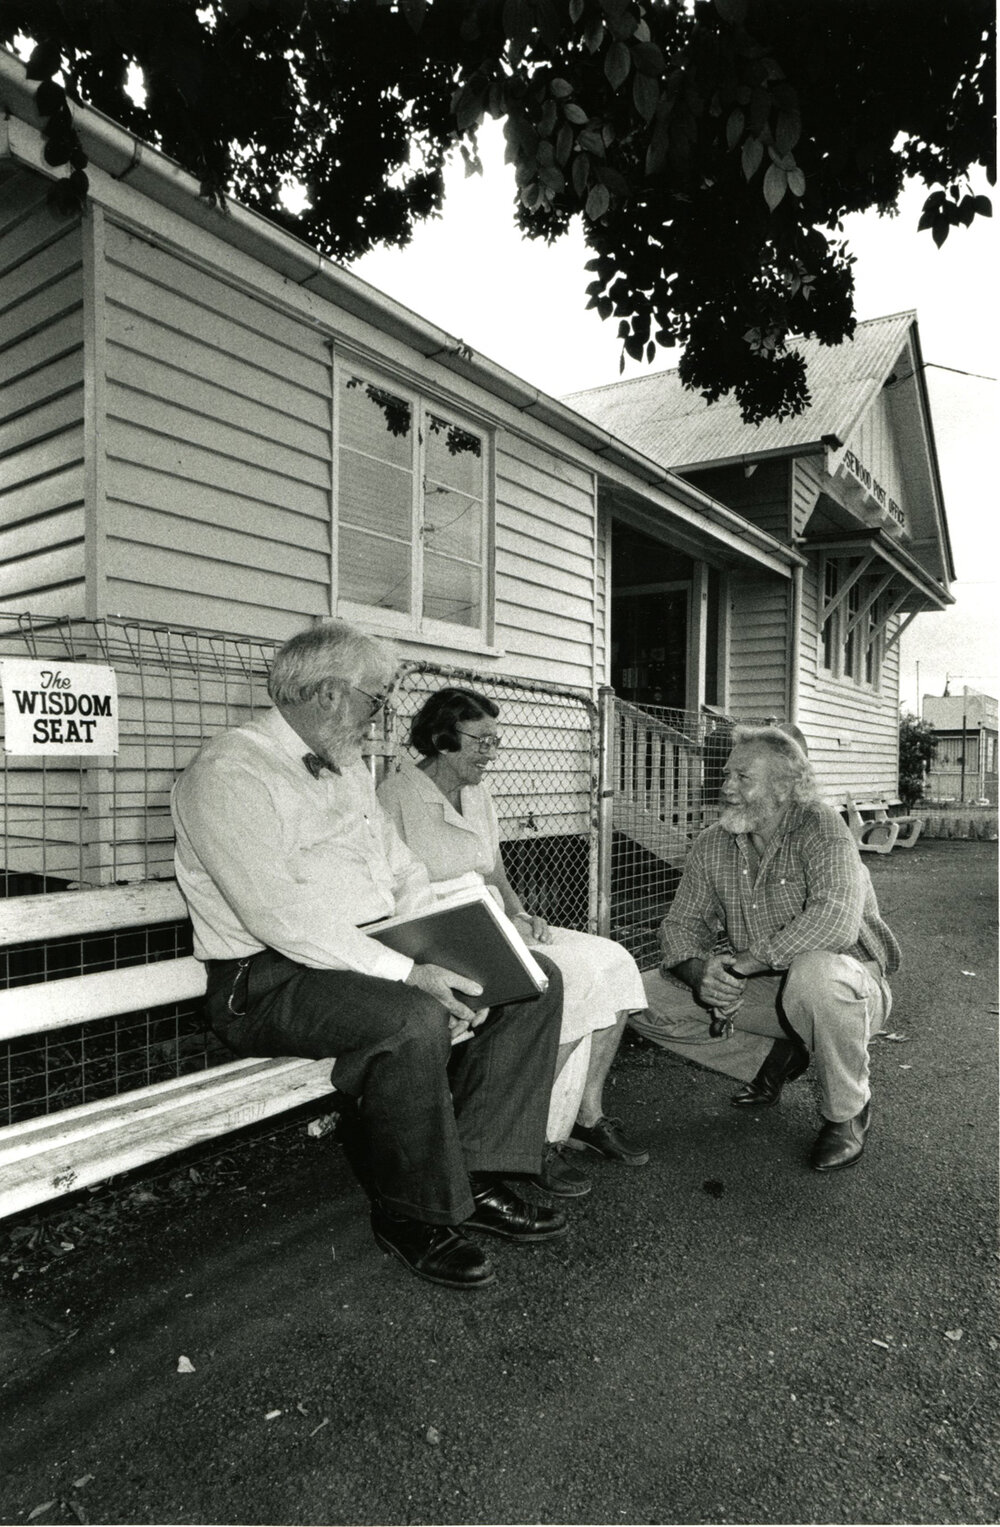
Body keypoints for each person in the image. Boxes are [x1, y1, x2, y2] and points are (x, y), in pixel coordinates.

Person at [171, 621, 570, 1292]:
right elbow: (279, 916)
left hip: (369, 950)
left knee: (532, 979)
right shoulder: (228, 773)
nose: (381, 716)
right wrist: (411, 972)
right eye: (376, 699)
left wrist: (435, 938)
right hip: (268, 978)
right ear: (328, 693)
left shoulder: (349, 767)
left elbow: (401, 866)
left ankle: (477, 1171)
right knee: (412, 1017)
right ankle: (414, 1213)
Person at [377, 686, 650, 1199]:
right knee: (569, 977)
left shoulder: (477, 794)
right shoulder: (395, 796)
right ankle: (537, 1136)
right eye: (481, 741)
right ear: (442, 736)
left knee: (615, 960)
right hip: (444, 932)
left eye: (495, 741)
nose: (491, 754)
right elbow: (394, 899)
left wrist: (521, 914)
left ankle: (587, 1115)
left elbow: (495, 871)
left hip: (493, 916)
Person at [629, 724, 900, 1172]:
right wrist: (701, 974)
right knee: (636, 998)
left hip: (847, 987)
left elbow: (835, 921)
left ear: (784, 787)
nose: (726, 788)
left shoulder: (821, 826)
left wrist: (741, 965)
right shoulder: (713, 843)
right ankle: (773, 1058)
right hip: (766, 989)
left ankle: (847, 1111)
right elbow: (679, 925)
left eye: (742, 778)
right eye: (726, 775)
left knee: (814, 975)